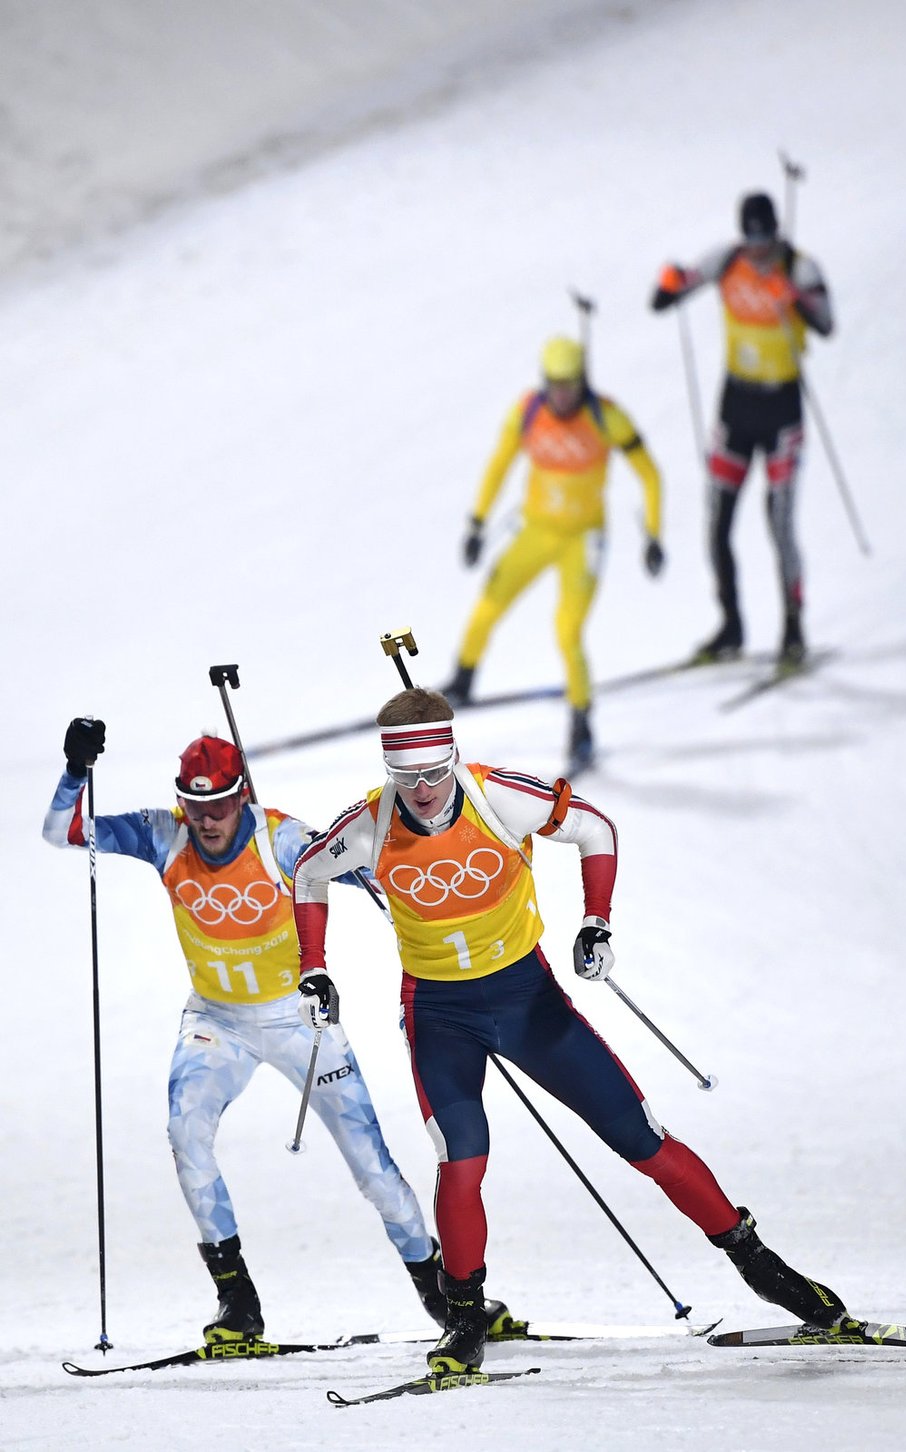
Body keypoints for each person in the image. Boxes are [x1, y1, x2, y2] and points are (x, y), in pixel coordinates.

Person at [291, 687, 849, 1375]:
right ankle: (465, 1316)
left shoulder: (499, 796)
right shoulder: (370, 825)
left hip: (527, 1002)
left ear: (454, 758)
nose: (425, 791)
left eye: (435, 774)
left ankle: (763, 1266)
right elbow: (308, 872)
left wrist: (597, 920)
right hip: (440, 1014)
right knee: (461, 1158)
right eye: (407, 779)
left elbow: (595, 828)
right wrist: (312, 966)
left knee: (642, 1141)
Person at [42, 718, 515, 1344]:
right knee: (186, 1137)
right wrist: (77, 771)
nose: (207, 821)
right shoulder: (164, 835)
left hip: (300, 1022)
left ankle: (447, 1301)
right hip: (216, 1022)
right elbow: (63, 832)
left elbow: (374, 865)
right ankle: (237, 1301)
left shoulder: (282, 839)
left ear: (242, 795)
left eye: (219, 805)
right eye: (195, 806)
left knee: (374, 1170)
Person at [443, 335, 665, 769]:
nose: (562, 395)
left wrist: (653, 535)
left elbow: (650, 474)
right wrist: (476, 521)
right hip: (537, 531)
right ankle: (463, 679)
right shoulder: (528, 412)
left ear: (583, 379)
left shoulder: (607, 417)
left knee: (567, 631)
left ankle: (581, 724)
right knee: (489, 604)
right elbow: (499, 464)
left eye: (570, 384)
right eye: (554, 384)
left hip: (582, 539)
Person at [651, 191, 834, 667]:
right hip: (736, 407)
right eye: (751, 240)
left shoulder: (799, 268)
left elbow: (827, 323)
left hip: (782, 410)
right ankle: (731, 626)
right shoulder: (726, 260)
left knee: (779, 523)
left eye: (765, 240)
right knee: (717, 522)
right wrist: (670, 282)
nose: (757, 250)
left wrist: (796, 300)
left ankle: (794, 630)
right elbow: (667, 297)